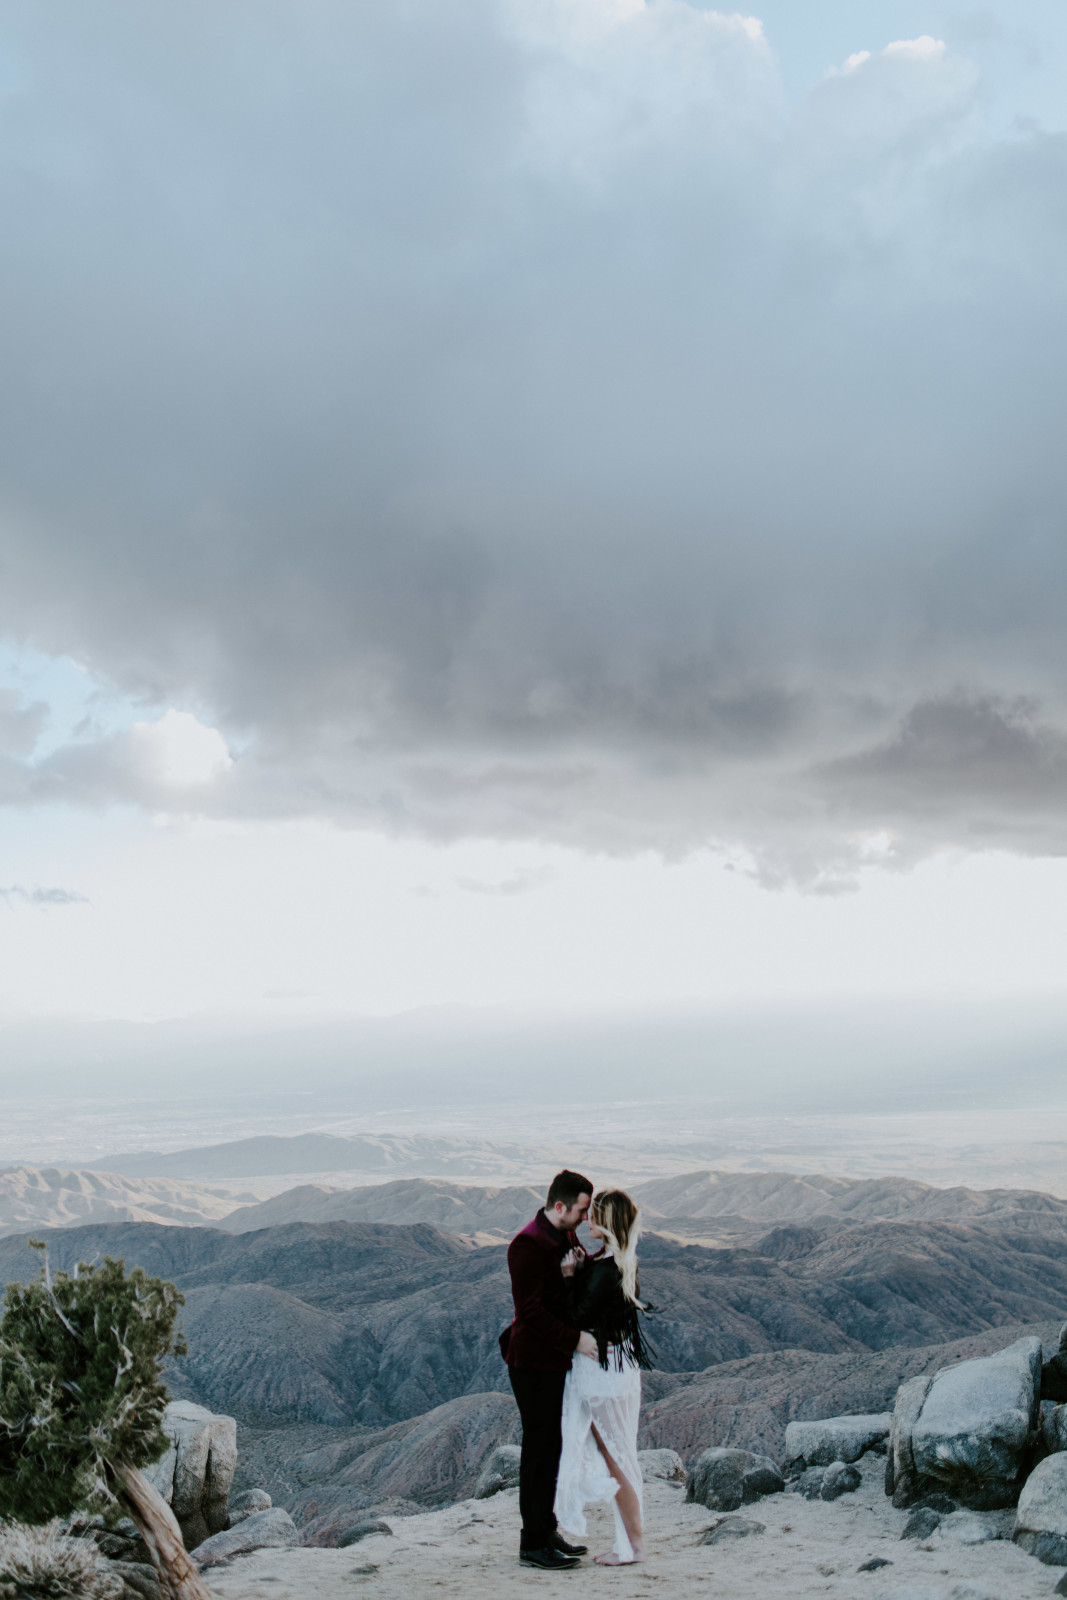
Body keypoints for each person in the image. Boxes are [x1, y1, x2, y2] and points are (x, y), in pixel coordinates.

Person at [501, 1170, 599, 1570]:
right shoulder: (527, 1244)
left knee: (552, 1447)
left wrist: (574, 1275)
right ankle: (532, 1544)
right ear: (560, 1206)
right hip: (532, 1362)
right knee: (538, 1452)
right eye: (581, 1210)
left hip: (551, 1360)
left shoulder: (563, 1234)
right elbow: (531, 1312)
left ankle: (547, 1528)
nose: (585, 1218)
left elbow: (564, 1285)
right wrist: (575, 1339)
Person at [553, 1188, 653, 1565]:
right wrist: (582, 1272)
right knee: (620, 1454)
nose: (586, 1220)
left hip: (602, 1372)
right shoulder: (620, 1261)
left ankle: (635, 1546)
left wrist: (567, 1277)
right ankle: (630, 1543)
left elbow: (575, 1320)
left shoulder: (606, 1269)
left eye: (593, 1215)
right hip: (618, 1367)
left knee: (616, 1458)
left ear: (606, 1222)